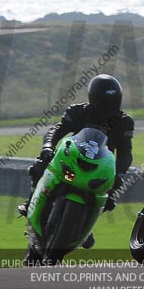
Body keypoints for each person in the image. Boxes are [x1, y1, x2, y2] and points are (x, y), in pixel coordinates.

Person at [18, 74, 134, 248]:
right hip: (70, 158)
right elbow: (57, 130)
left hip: (101, 167)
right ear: (93, 98)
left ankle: (85, 226)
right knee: (38, 165)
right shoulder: (78, 111)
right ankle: (30, 203)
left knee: (110, 197)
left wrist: (120, 173)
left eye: (113, 101)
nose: (108, 106)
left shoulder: (124, 122)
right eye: (104, 101)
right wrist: (48, 147)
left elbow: (125, 152)